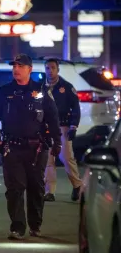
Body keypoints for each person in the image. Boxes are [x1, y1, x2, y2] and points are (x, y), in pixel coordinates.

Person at [0, 54, 62, 240]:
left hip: (37, 148)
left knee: (36, 187)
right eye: (14, 66)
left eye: (21, 66)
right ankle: (17, 227)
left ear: (30, 69)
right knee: (15, 189)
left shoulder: (41, 91)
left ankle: (35, 225)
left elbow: (53, 118)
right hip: (12, 148)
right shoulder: (4, 91)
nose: (16, 69)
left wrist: (57, 141)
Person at [42, 58, 83, 202]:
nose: (50, 70)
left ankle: (77, 184)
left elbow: (75, 108)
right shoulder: (41, 88)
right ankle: (50, 191)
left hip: (62, 127)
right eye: (47, 68)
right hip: (46, 128)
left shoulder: (66, 87)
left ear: (58, 69)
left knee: (66, 158)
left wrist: (73, 126)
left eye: (53, 67)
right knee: (48, 159)